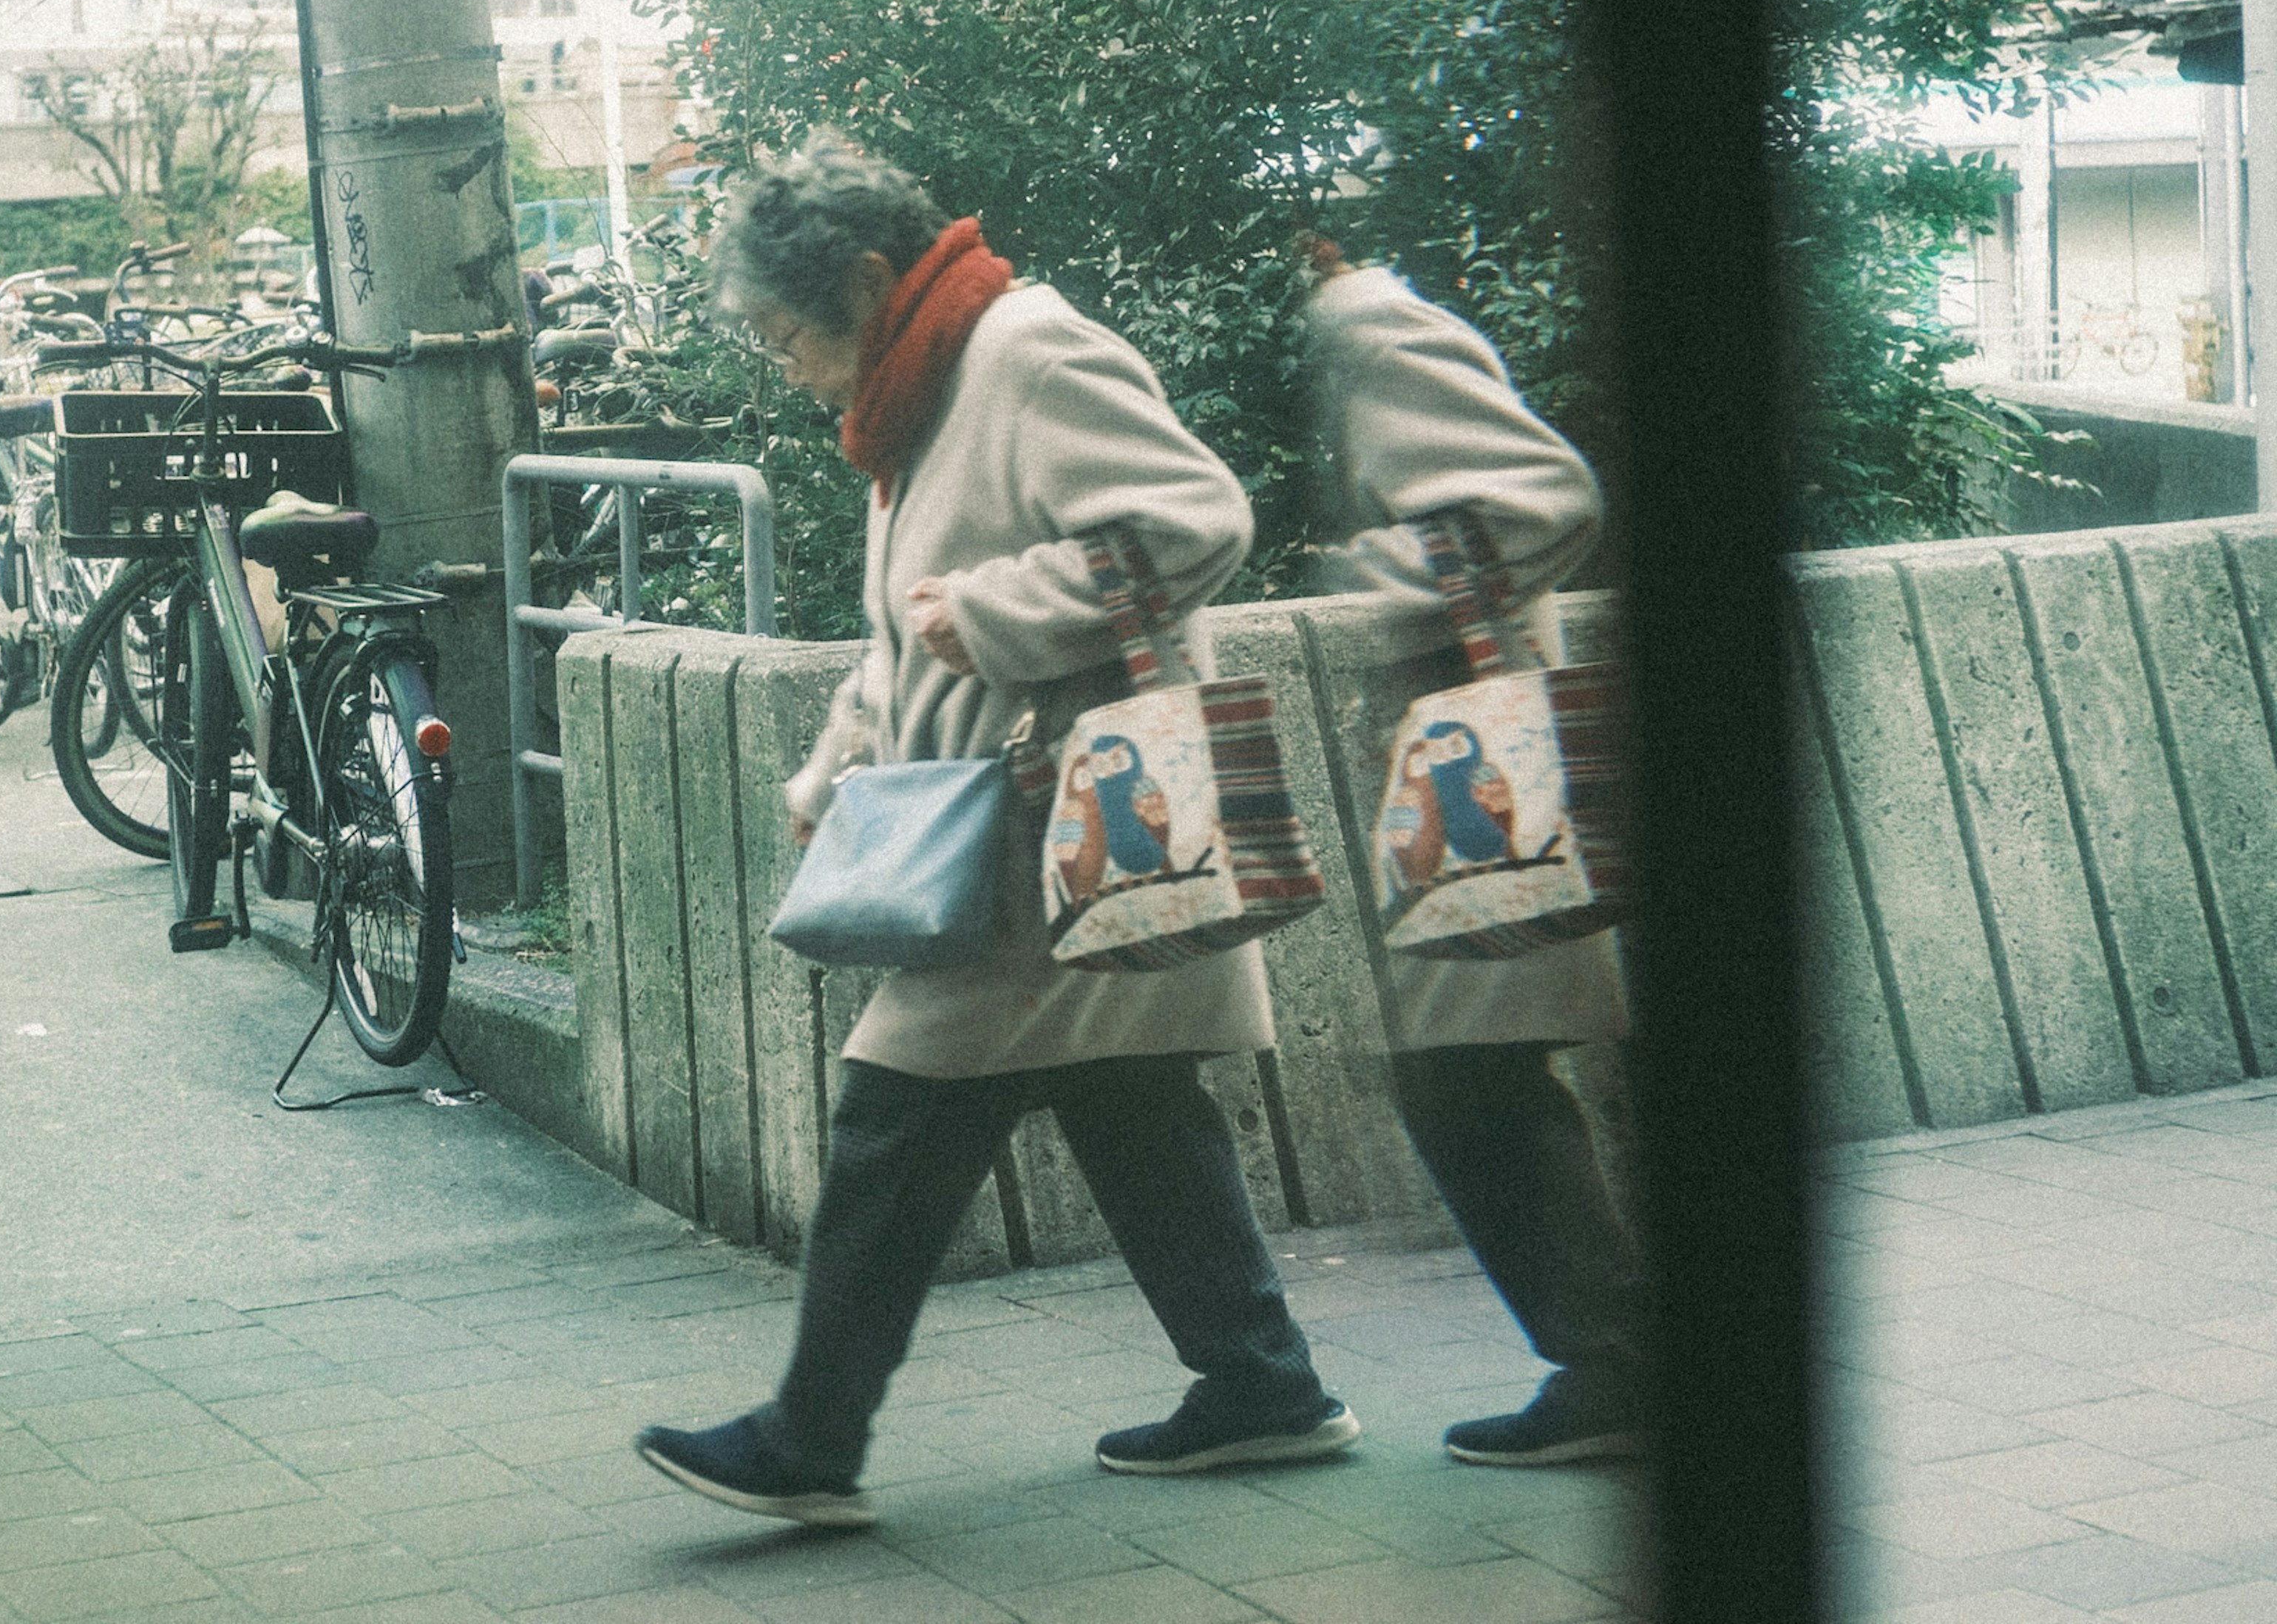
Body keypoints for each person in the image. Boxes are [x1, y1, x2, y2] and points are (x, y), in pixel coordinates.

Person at [633, 139, 1356, 1528]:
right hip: (1030, 825)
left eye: (786, 335)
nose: (784, 366)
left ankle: (811, 1437)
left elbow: (1201, 520)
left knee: (892, 1117)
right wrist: (837, 766)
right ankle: (1265, 1386)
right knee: (1131, 1099)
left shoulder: (1021, 351)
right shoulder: (922, 392)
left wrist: (1005, 609)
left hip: (1048, 824)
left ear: (862, 279)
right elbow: (910, 631)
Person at [1301, 237, 1649, 1467]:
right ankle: (1621, 1358)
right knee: (1477, 1068)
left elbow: (1548, 498)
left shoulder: (1377, 335)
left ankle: (1619, 1366)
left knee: (1464, 1070)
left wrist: (1381, 569)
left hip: (1477, 761)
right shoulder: (1370, 339)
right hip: (1461, 760)